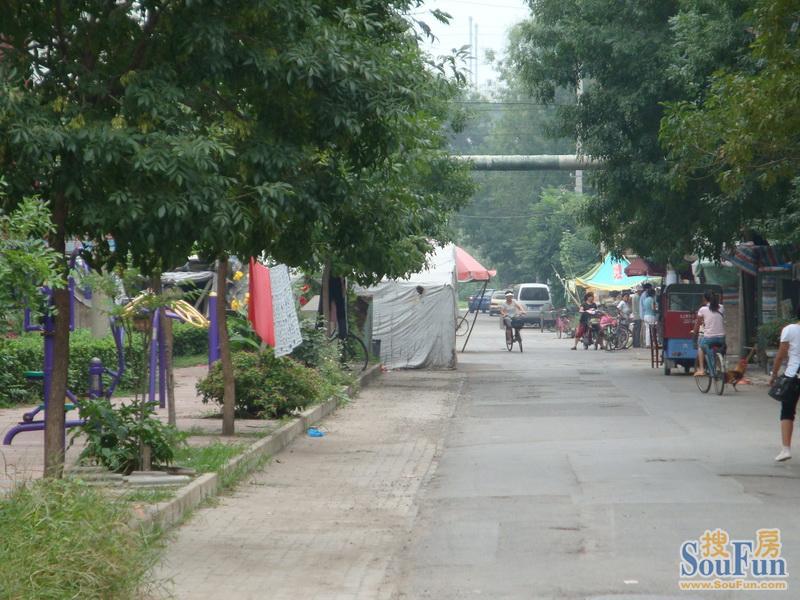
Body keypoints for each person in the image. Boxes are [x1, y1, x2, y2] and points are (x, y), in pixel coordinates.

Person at [770, 304, 800, 462]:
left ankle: (786, 449)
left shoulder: (790, 330)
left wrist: (774, 374)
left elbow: (781, 356)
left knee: (787, 411)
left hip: (793, 376)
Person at [693, 290, 725, 377]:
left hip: (709, 338)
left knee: (701, 347)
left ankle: (702, 370)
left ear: (705, 299)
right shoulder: (721, 307)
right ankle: (719, 366)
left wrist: (695, 332)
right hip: (722, 338)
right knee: (720, 349)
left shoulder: (702, 309)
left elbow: (698, 323)